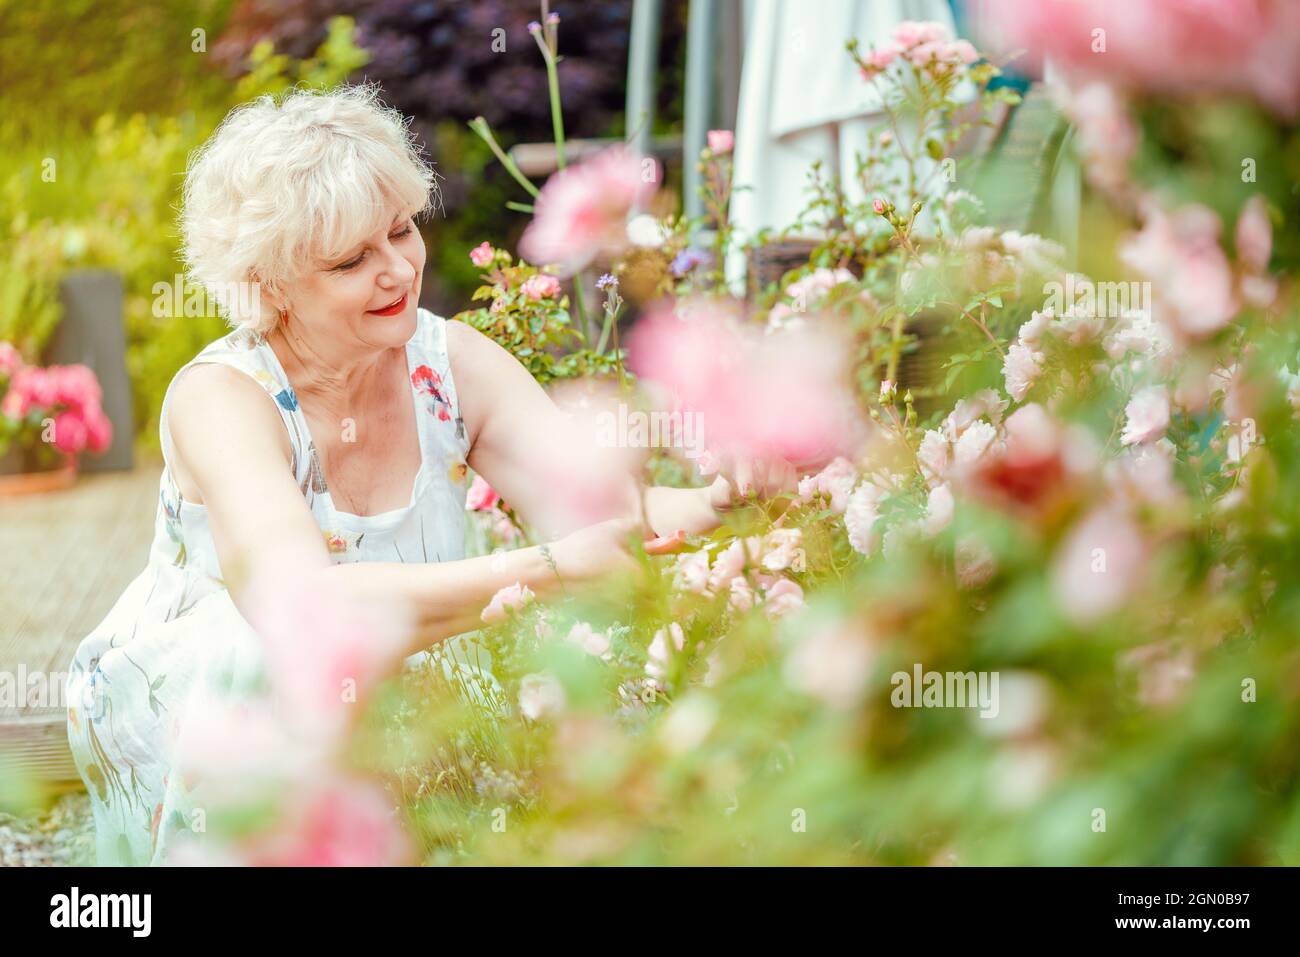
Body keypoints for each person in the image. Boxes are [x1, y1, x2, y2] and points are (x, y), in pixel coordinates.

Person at [64, 84, 778, 866]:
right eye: (351, 260)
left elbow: (601, 506)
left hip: (409, 661)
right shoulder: (222, 398)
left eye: (402, 231)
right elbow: (293, 601)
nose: (398, 269)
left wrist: (721, 496)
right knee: (272, 649)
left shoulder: (448, 363)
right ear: (268, 286)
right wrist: (543, 570)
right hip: (209, 698)